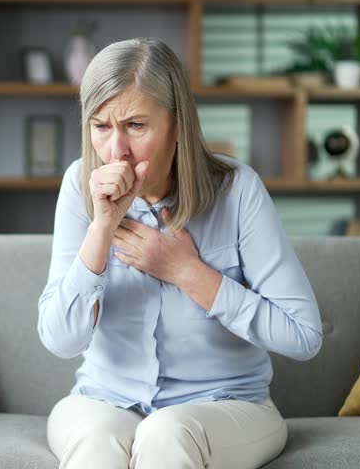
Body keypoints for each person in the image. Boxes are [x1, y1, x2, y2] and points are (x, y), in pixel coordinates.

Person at [37, 37, 324, 469]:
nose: (117, 151)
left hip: (227, 406)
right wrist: (101, 227)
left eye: (135, 125)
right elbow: (60, 340)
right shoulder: (79, 184)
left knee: (166, 433)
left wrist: (187, 272)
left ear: (177, 124)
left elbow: (304, 336)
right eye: (101, 127)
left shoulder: (238, 191)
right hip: (104, 400)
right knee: (97, 442)